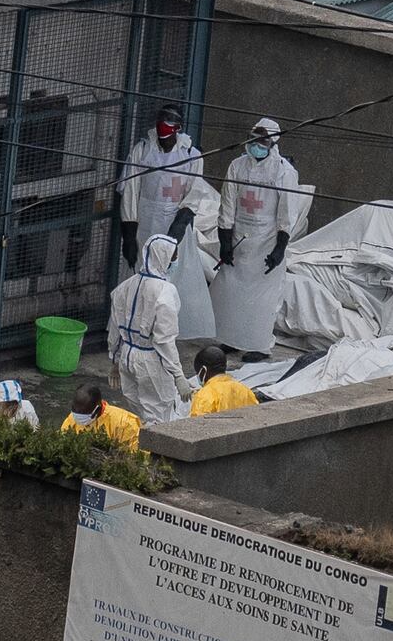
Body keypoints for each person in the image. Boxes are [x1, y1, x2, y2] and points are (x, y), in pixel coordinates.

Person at [211, 118, 306, 360]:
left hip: (267, 241)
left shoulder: (284, 172)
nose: (256, 143)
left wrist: (279, 249)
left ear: (273, 142)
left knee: (261, 299)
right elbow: (228, 204)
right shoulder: (237, 166)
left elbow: (287, 214)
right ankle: (232, 339)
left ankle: (258, 345)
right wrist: (225, 241)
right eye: (254, 137)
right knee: (233, 292)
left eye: (263, 139)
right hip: (239, 238)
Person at [116, 105, 219, 275]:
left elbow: (193, 196)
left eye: (168, 123)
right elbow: (130, 193)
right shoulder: (142, 151)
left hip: (172, 225)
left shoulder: (191, 156)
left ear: (178, 128)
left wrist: (176, 231)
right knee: (140, 269)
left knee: (170, 272)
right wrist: (128, 235)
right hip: (143, 224)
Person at [107, 233, 194, 425]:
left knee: (138, 411)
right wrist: (178, 374)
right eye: (174, 258)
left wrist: (114, 360)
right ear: (164, 259)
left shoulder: (125, 286)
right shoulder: (165, 291)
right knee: (159, 416)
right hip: (151, 361)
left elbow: (115, 329)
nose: (175, 262)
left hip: (127, 356)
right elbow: (164, 340)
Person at [60, 384, 141, 451]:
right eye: (74, 409)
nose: (78, 415)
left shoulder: (126, 423)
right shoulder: (72, 418)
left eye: (83, 412)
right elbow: (62, 440)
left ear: (97, 408)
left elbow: (131, 459)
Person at [188, 346, 258, 417]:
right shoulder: (245, 390)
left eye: (197, 372)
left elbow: (198, 424)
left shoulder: (203, 396)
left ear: (203, 370)